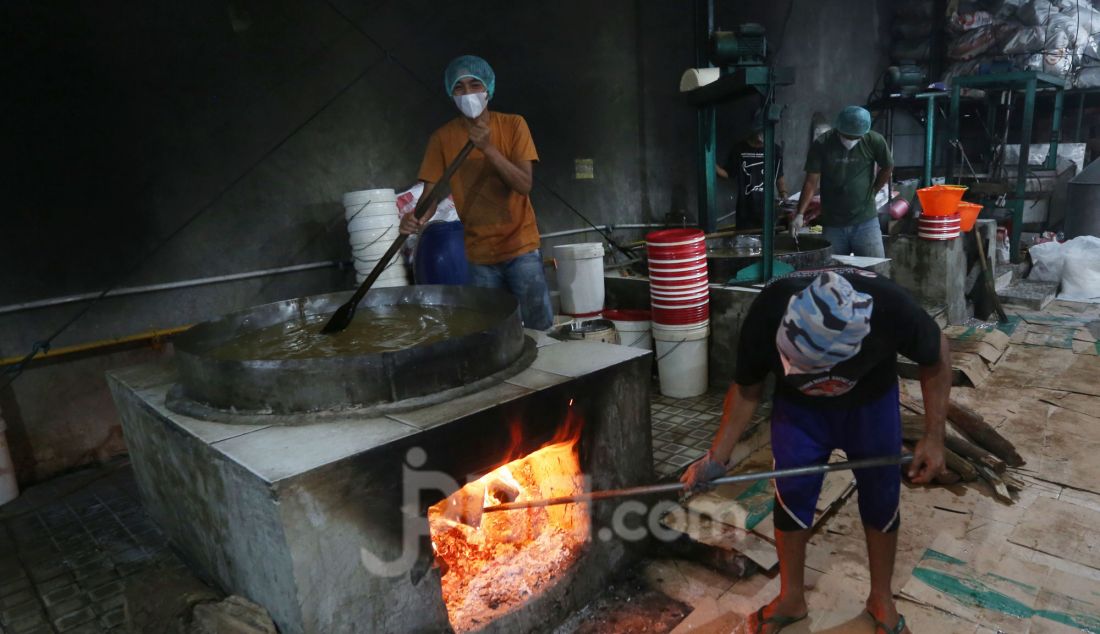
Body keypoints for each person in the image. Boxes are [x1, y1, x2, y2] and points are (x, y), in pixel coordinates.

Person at [682, 268, 950, 634]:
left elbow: (936, 354)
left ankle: (880, 599)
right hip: (801, 413)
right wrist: (716, 457)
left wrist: (934, 435)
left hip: (869, 406)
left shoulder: (891, 307)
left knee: (882, 495)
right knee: (792, 494)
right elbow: (747, 389)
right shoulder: (767, 313)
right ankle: (791, 598)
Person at [401, 55, 553, 330]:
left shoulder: (513, 125)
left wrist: (488, 149)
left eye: (475, 84)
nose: (468, 93)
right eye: (459, 87)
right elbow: (430, 195)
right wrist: (417, 217)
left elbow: (524, 184)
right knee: (493, 331)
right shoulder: (442, 138)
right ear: (451, 93)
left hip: (521, 248)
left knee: (538, 328)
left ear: (488, 89)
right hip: (478, 256)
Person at [791, 106, 893, 258]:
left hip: (866, 221)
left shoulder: (874, 141)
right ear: (839, 128)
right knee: (832, 274)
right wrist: (800, 214)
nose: (851, 140)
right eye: (848, 136)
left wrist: (874, 190)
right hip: (833, 223)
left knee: (874, 271)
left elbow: (887, 167)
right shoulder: (823, 143)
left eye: (856, 137)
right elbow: (811, 182)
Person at [717, 117, 788, 230]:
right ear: (754, 129)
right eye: (761, 130)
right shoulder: (739, 149)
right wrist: (712, 166)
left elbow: (779, 175)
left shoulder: (775, 150)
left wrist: (783, 194)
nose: (763, 134)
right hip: (745, 211)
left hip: (768, 211)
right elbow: (728, 173)